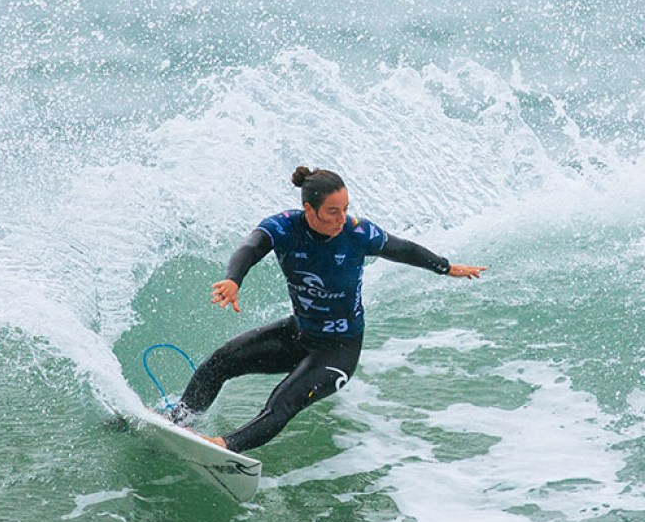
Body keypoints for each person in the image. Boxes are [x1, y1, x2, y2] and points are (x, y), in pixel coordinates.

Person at [176, 166, 486, 452]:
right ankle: (178, 422)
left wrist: (446, 268)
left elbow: (402, 249)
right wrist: (233, 280)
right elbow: (251, 247)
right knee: (220, 362)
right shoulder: (283, 226)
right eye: (332, 212)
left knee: (284, 400)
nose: (342, 219)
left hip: (338, 349)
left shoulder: (357, 233)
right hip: (298, 334)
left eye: (345, 209)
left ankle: (221, 446)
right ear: (309, 209)